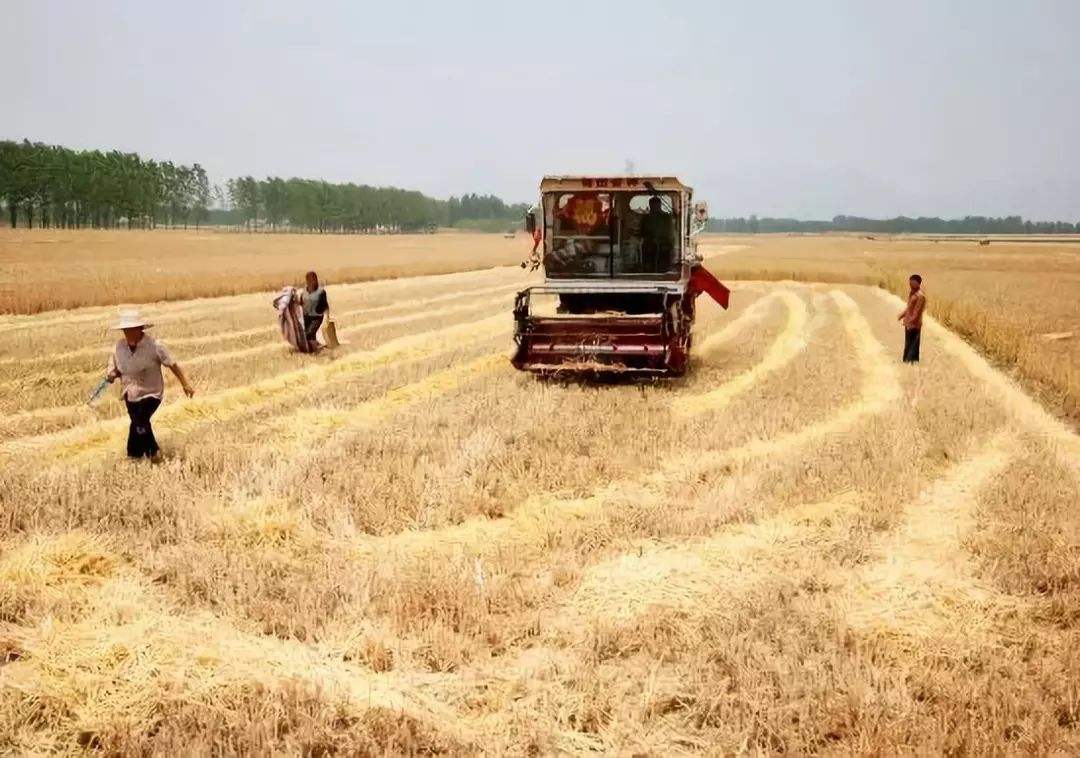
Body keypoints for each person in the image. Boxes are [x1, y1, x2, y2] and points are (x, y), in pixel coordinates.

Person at [105, 309, 194, 459]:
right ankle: (151, 453)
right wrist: (112, 374)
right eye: (126, 330)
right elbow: (114, 368)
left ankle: (135, 454)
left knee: (140, 421)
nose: (128, 333)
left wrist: (185, 384)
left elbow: (172, 364)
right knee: (139, 424)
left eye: (132, 329)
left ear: (140, 329)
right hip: (129, 393)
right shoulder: (118, 347)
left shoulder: (155, 345)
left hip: (151, 392)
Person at [897, 274, 927, 363]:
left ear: (918, 283)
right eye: (909, 283)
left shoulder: (920, 296)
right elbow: (909, 308)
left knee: (913, 344)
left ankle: (911, 362)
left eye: (912, 283)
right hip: (909, 322)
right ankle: (906, 361)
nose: (910, 285)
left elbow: (917, 312)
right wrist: (902, 315)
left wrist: (910, 322)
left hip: (915, 324)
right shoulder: (912, 293)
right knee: (908, 343)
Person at [639, 196, 674, 272]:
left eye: (656, 205)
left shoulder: (666, 218)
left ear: (660, 205)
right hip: (649, 246)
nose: (654, 207)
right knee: (648, 267)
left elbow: (670, 232)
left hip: (664, 245)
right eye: (652, 205)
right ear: (650, 205)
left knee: (663, 266)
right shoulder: (645, 218)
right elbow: (641, 232)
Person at [300, 271, 329, 347]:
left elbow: (326, 306)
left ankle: (318, 348)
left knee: (309, 334)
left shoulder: (321, 292)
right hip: (306, 317)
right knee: (305, 335)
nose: (311, 281)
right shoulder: (304, 292)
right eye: (309, 280)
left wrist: (327, 319)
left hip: (317, 317)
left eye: (313, 279)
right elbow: (301, 303)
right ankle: (316, 347)